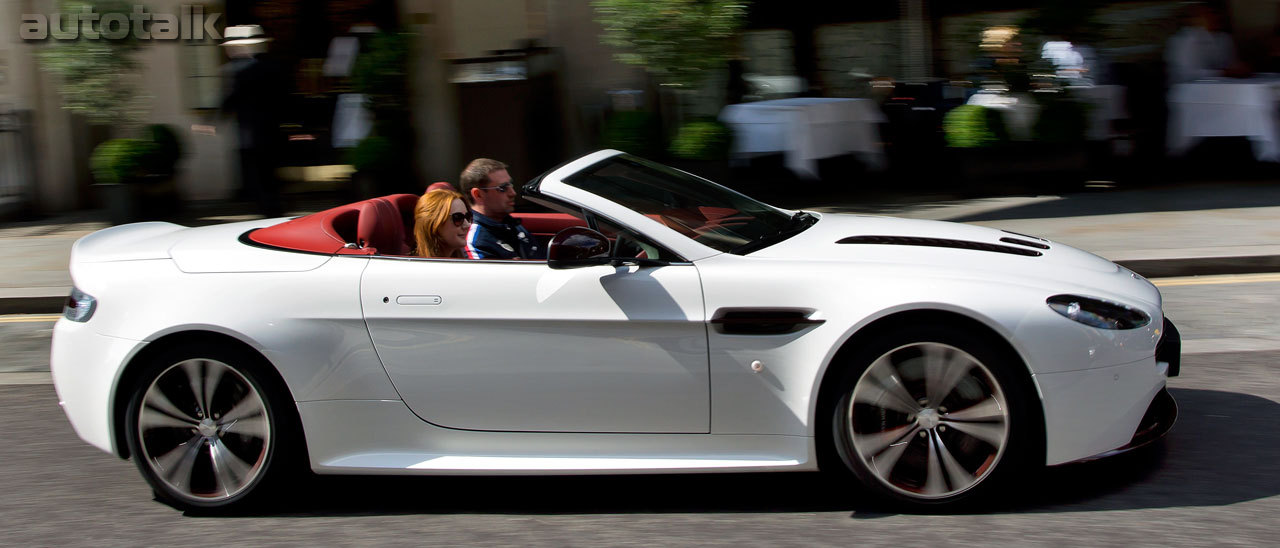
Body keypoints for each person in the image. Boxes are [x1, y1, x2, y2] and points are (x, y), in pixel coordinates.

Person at [458, 158, 545, 259]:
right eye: (503, 188)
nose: (513, 193)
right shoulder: (476, 241)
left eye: (510, 185)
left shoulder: (510, 224)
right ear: (478, 194)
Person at [1166, 3, 1249, 84]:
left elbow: (1231, 65)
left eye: (1218, 14)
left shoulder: (1224, 38)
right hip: (1188, 89)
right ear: (1197, 19)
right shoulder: (1185, 40)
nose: (1216, 18)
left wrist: (1239, 69)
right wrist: (1224, 73)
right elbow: (1186, 75)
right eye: (1210, 14)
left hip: (1222, 86)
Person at [413, 188, 472, 258]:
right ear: (434, 223)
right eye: (458, 218)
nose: (468, 225)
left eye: (467, 216)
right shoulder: (414, 264)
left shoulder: (462, 260)